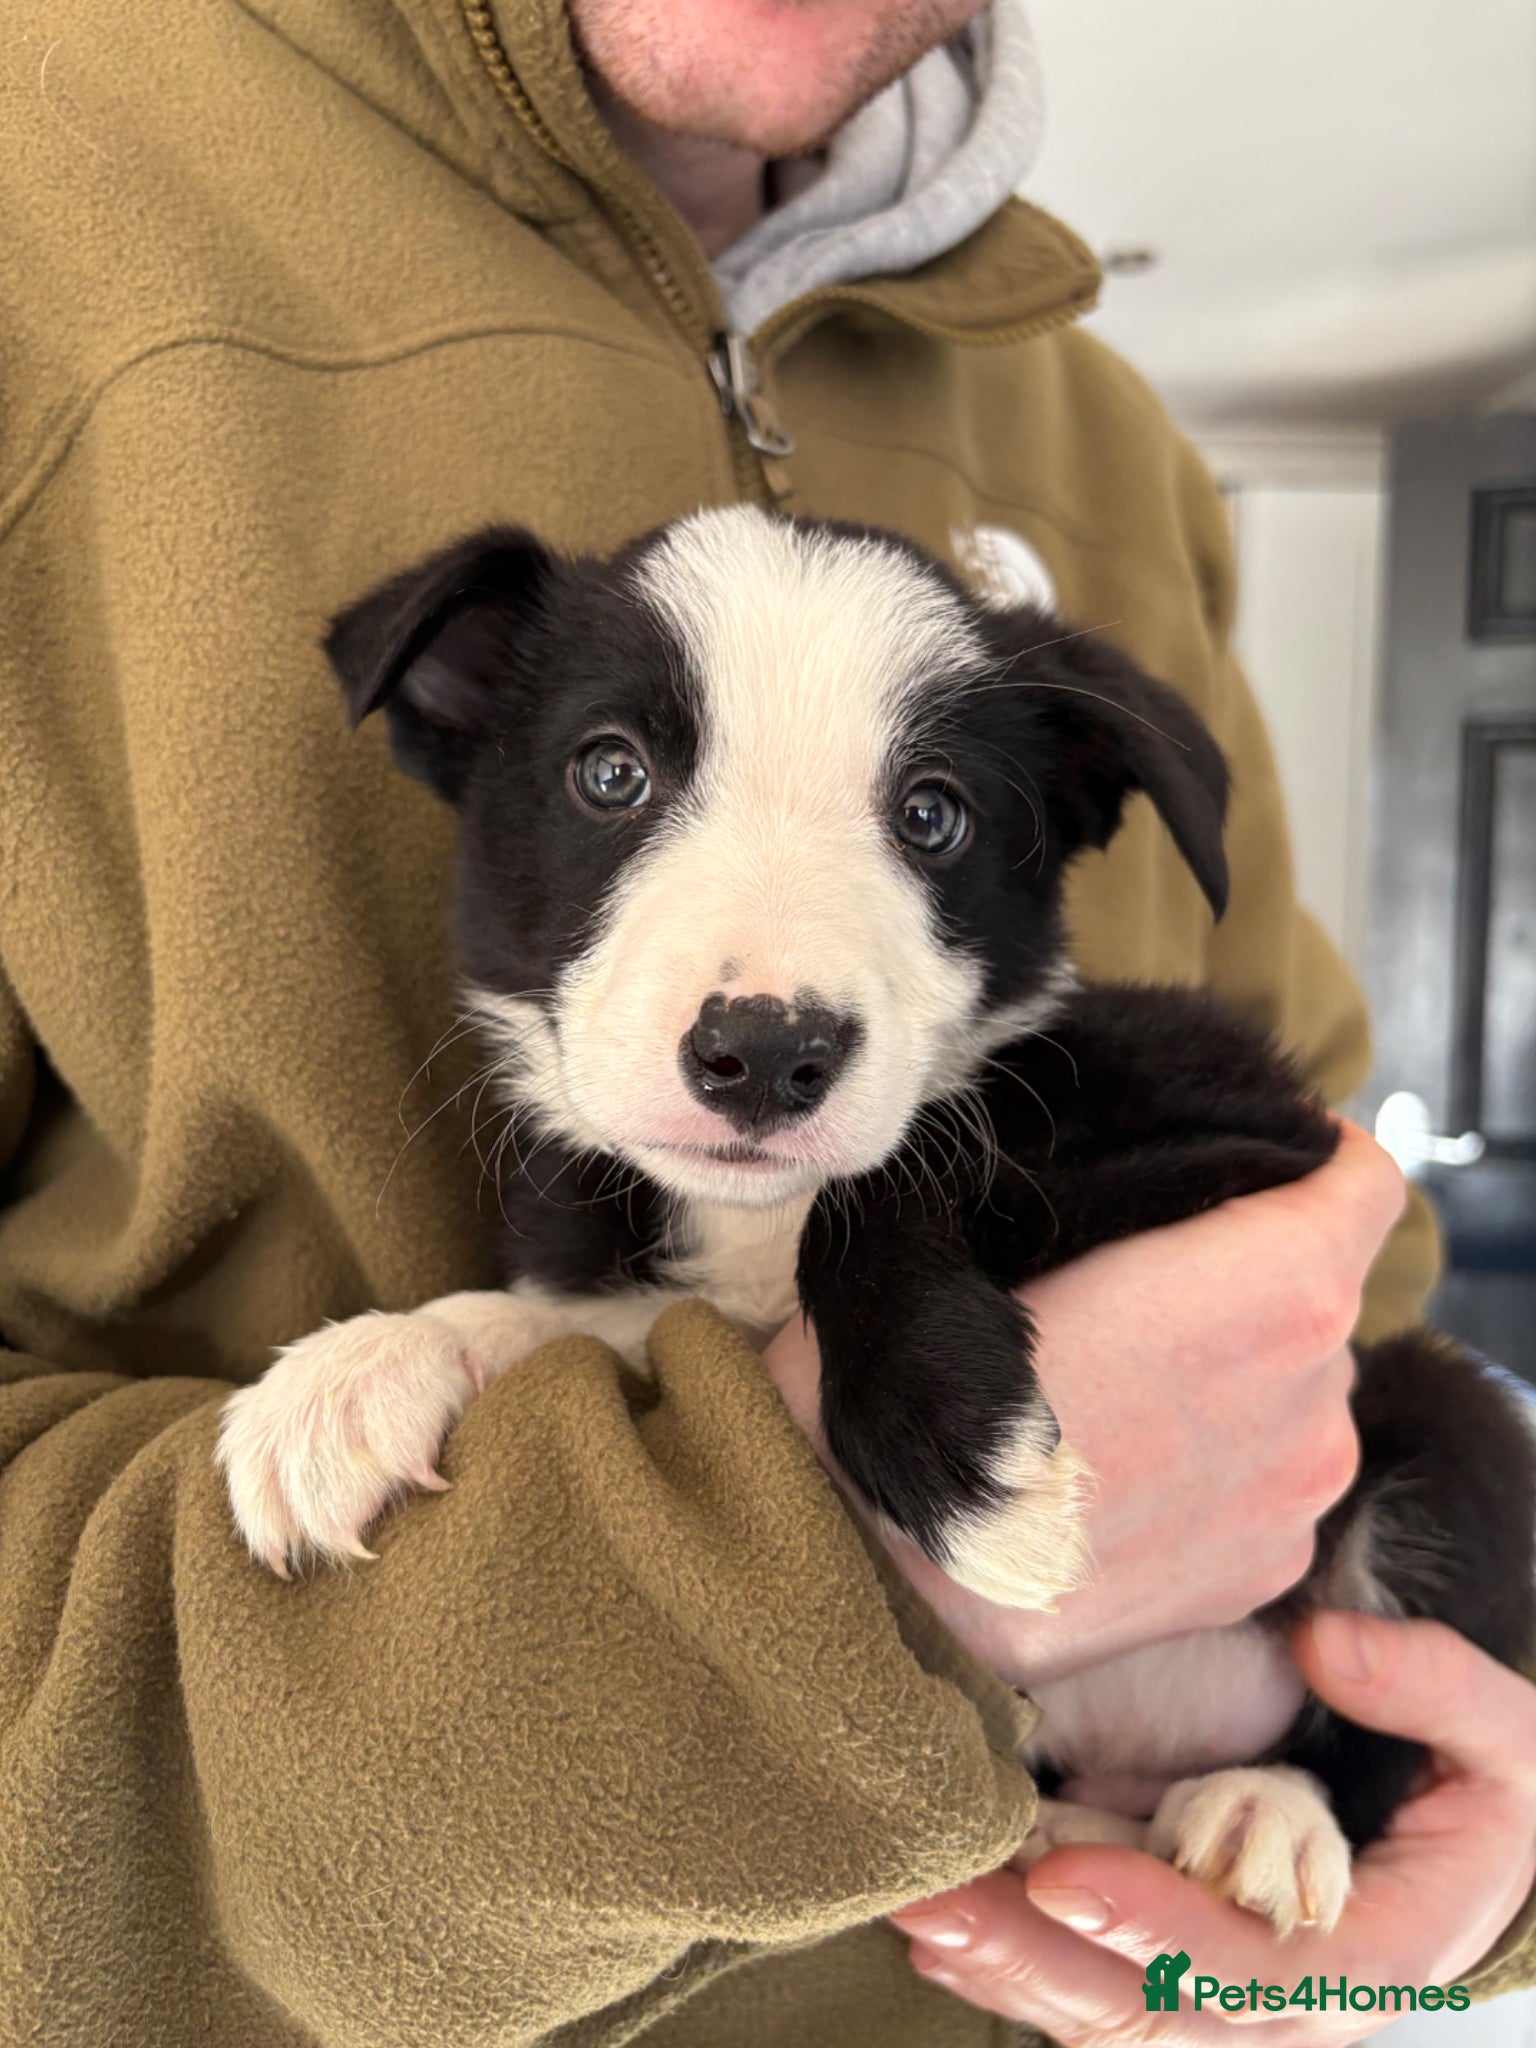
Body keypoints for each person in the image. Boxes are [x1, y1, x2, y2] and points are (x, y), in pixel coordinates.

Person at [0, 0, 1531, 2041]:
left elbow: (1351, 1281)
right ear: (461, 715)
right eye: (622, 776)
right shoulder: (52, 183)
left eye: (925, 812)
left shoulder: (1097, 425)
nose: (771, 992)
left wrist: (1480, 1859)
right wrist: (825, 1576)